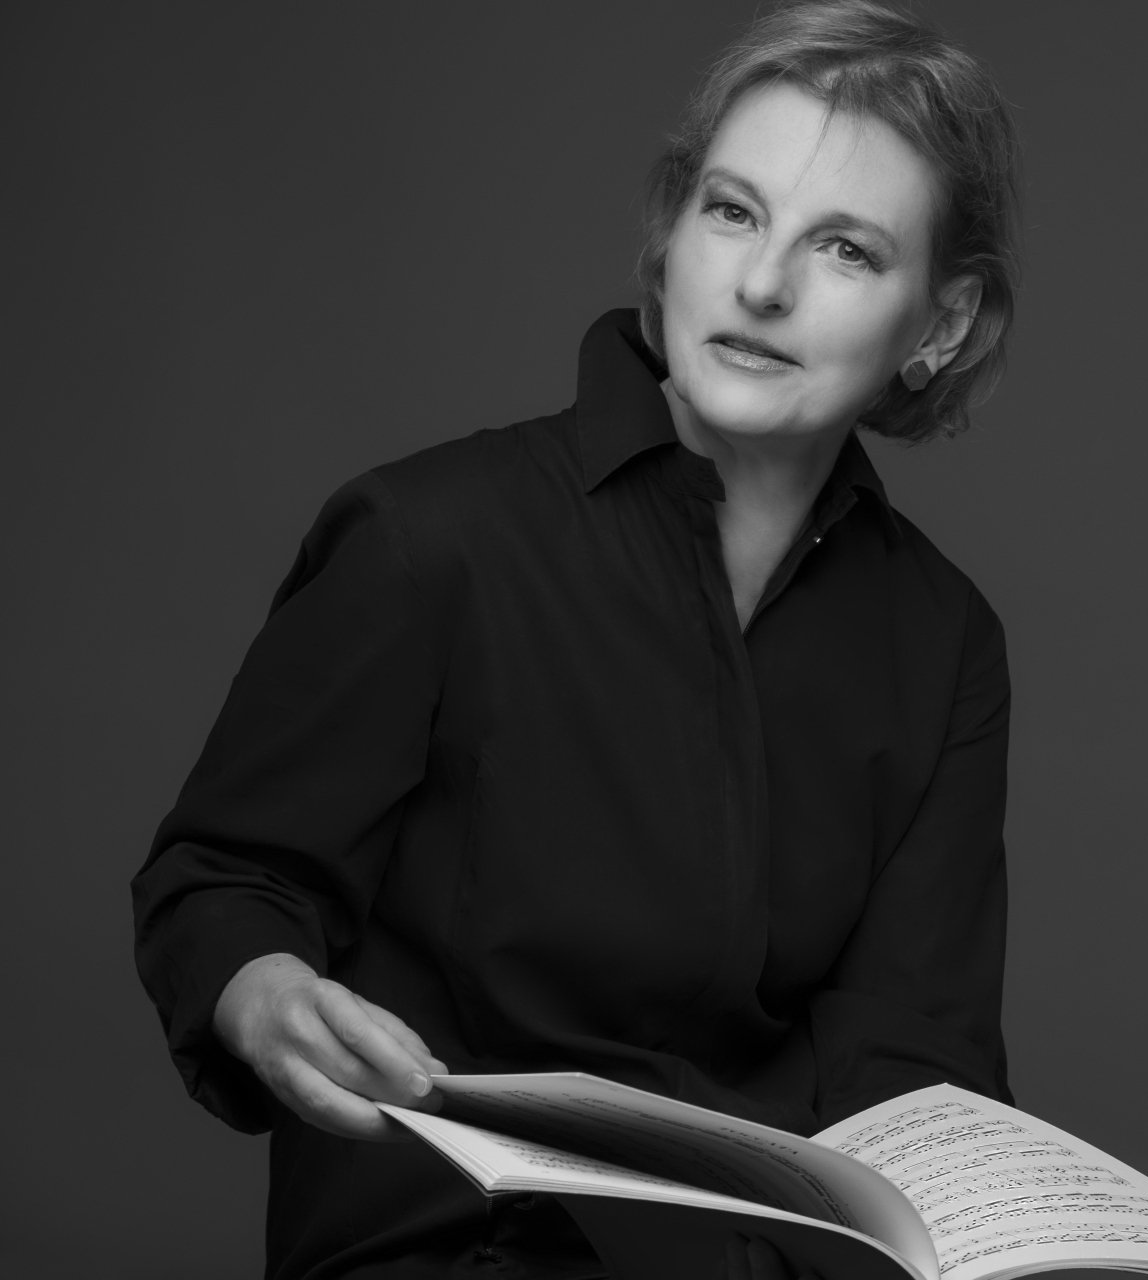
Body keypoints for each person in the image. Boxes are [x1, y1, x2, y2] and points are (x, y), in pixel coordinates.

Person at [131, 2, 1021, 1276]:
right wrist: (263, 991)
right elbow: (220, 878)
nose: (761, 284)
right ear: (669, 232)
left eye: (844, 247)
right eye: (732, 211)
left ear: (939, 323)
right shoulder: (429, 538)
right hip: (451, 1246)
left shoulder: (942, 641)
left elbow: (914, 1055)